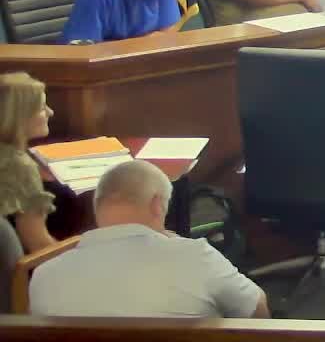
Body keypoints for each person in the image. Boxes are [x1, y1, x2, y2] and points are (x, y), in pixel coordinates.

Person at [29, 159, 269, 318]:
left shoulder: (45, 275)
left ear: (97, 207)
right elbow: (256, 310)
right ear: (157, 204)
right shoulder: (194, 257)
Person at [0, 73, 56, 254]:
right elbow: (38, 244)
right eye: (41, 107)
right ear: (19, 116)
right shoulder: (19, 167)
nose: (50, 112)